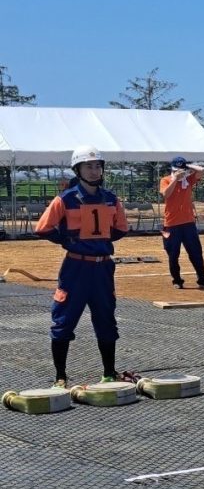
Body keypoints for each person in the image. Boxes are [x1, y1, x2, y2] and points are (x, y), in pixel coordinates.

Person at [34, 145, 129, 387]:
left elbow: (121, 228)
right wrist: (68, 240)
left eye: (98, 166)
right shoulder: (65, 200)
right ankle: (60, 377)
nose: (95, 171)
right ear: (78, 169)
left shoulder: (111, 199)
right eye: (89, 166)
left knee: (106, 320)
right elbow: (42, 228)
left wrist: (99, 242)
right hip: (75, 269)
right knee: (63, 320)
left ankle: (109, 373)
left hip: (103, 269)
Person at [159, 157, 204, 289]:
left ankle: (202, 280)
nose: (179, 173)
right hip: (171, 224)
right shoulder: (165, 180)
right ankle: (177, 280)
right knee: (173, 254)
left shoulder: (188, 180)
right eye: (176, 170)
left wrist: (188, 166)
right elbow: (166, 194)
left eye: (181, 170)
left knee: (196, 253)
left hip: (188, 223)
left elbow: (202, 170)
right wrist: (175, 179)